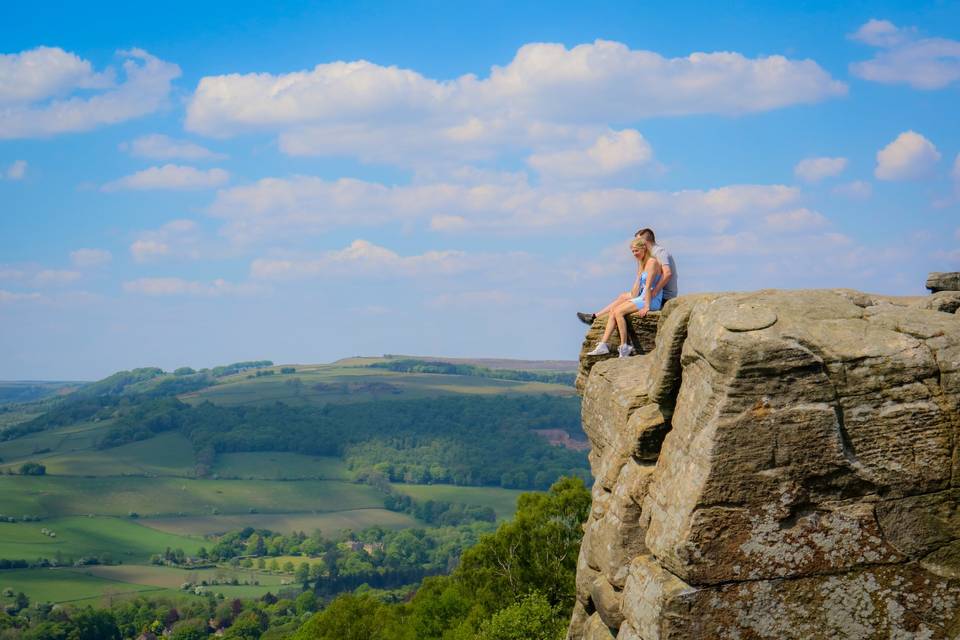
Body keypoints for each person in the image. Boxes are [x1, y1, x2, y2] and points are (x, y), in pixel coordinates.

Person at [576, 227, 678, 325]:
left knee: (623, 301)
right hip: (652, 292)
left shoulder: (659, 252)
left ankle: (595, 318)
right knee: (623, 296)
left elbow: (668, 273)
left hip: (664, 296)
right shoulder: (648, 256)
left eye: (638, 241)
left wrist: (655, 290)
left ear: (644, 241)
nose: (635, 244)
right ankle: (595, 317)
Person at [585, 237, 663, 358]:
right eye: (632, 251)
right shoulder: (642, 263)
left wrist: (647, 306)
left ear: (644, 249)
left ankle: (624, 347)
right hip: (642, 297)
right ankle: (603, 345)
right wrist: (638, 277)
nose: (634, 254)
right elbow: (636, 291)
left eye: (636, 251)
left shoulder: (652, 262)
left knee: (619, 312)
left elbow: (648, 287)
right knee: (613, 310)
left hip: (651, 299)